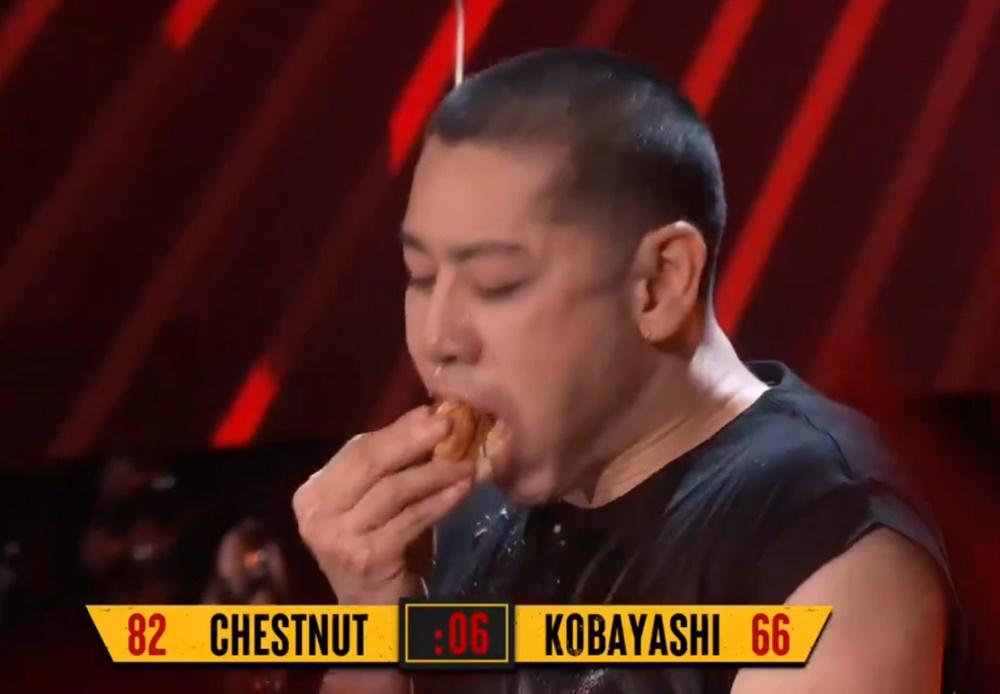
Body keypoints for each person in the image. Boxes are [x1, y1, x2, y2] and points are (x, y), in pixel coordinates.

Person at [292, 48, 957, 693]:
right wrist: (371, 619)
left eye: (495, 282)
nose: (438, 338)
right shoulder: (453, 520)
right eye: (419, 276)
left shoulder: (827, 542)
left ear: (660, 283)